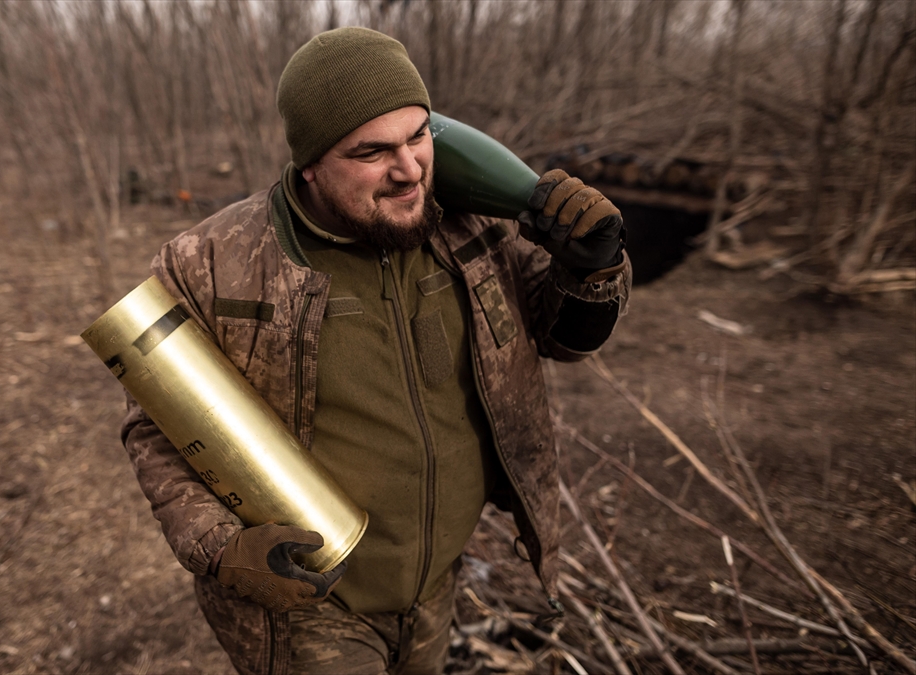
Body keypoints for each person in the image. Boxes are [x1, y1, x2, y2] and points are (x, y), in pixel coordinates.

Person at [119, 27, 631, 675]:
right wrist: (222, 549)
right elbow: (155, 430)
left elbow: (564, 338)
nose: (410, 168)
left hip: (436, 584)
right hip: (314, 604)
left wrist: (594, 267)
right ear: (310, 163)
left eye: (419, 136)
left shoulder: (470, 231)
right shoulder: (211, 263)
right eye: (372, 151)